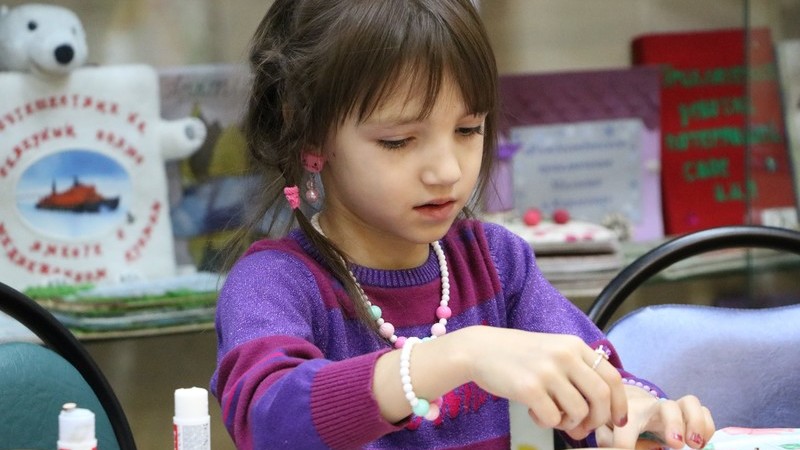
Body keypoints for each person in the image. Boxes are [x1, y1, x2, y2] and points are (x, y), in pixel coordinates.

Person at [211, 0, 716, 448]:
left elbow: (593, 377)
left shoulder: (498, 262)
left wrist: (636, 412)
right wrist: (461, 354)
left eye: (468, 129)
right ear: (308, 132)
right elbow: (269, 421)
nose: (448, 171)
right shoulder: (274, 283)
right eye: (398, 140)